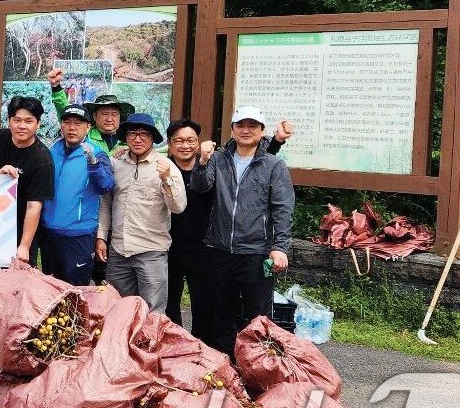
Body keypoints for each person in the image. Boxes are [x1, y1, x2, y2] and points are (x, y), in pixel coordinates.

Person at [190, 106, 295, 355]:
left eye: (252, 126)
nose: (246, 130)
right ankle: (225, 366)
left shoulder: (273, 165)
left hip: (255, 252)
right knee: (221, 314)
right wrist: (202, 161)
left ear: (262, 131)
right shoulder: (218, 159)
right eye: (241, 125)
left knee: (258, 317)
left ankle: (257, 366)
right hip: (219, 250)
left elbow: (282, 208)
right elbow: (200, 186)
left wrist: (280, 247)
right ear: (232, 130)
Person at [167, 118, 292, 326]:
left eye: (190, 140)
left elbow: (252, 162)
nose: (185, 145)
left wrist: (276, 142)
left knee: (207, 307)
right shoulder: (164, 167)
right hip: (170, 246)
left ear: (198, 143)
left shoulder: (212, 162)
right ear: (170, 144)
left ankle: (206, 344)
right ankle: (174, 343)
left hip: (206, 248)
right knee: (169, 305)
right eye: (178, 141)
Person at [96, 113, 185, 314]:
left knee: (153, 312)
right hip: (119, 250)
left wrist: (166, 179)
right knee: (117, 309)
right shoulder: (115, 163)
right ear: (125, 137)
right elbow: (106, 203)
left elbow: (178, 207)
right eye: (132, 133)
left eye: (144, 134)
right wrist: (101, 237)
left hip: (152, 250)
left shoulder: (166, 166)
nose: (138, 139)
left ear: (152, 137)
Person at [0, 96, 55, 265]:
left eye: (28, 121)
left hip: (20, 227)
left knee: (17, 276)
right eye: (17, 120)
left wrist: (24, 246)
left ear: (38, 124)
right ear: (9, 121)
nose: (22, 126)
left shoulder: (42, 159)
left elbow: (34, 206)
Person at [40, 106, 114, 285]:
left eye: (78, 123)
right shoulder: (52, 150)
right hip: (49, 231)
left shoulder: (97, 152)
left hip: (79, 233)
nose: (72, 128)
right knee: (50, 288)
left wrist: (93, 164)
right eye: (67, 122)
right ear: (61, 125)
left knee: (75, 290)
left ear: (88, 127)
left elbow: (105, 186)